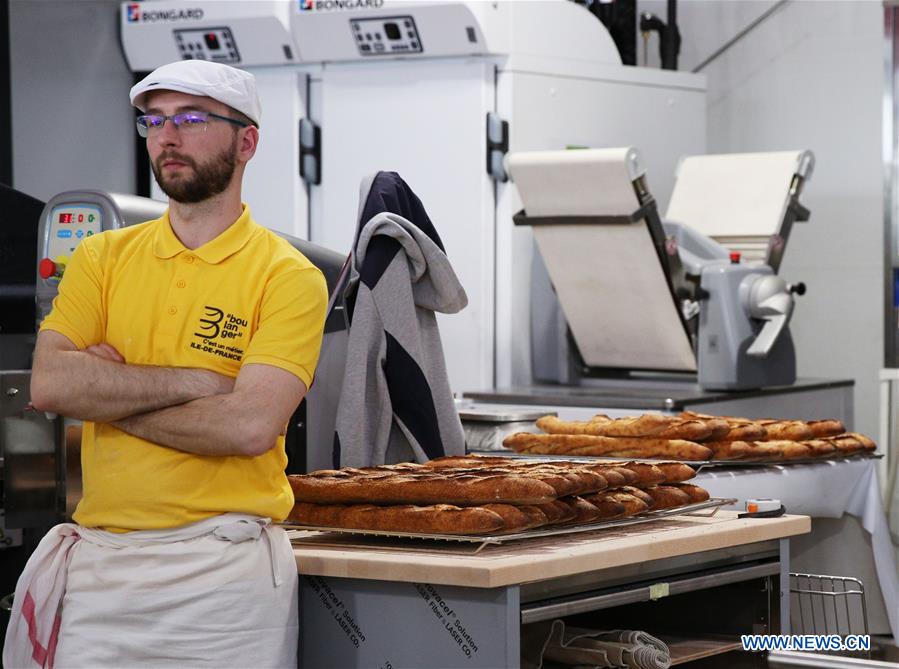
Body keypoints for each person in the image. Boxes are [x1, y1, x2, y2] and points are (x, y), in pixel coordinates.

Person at [3, 60, 327, 668]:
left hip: (224, 579)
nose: (166, 137)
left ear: (247, 141)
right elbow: (49, 384)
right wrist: (200, 383)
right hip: (102, 572)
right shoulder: (102, 257)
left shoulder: (287, 277)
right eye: (153, 121)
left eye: (192, 119)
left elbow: (249, 427)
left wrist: (106, 400)